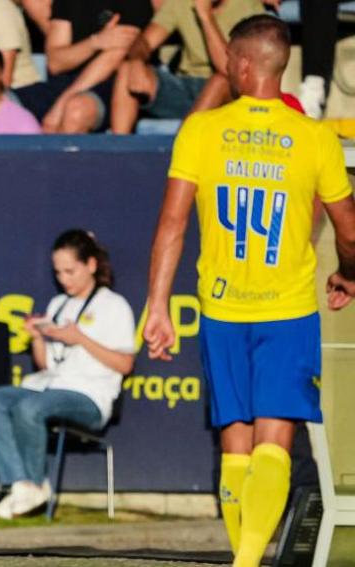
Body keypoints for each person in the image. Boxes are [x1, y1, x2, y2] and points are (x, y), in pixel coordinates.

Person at [143, 15, 355, 567]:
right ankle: (246, 562)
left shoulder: (201, 129)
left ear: (239, 64)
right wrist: (349, 272)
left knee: (234, 440)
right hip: (286, 309)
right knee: (274, 439)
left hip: (220, 306)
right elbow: (350, 228)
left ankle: (244, 556)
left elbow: (172, 223)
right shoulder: (314, 137)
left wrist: (158, 305)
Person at [0, 230, 135, 518]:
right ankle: (21, 485)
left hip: (90, 396)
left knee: (29, 408)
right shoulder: (58, 304)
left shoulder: (115, 306)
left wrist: (80, 338)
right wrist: (37, 336)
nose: (64, 279)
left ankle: (36, 484)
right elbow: (47, 365)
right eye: (58, 272)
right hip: (49, 386)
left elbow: (125, 365)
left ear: (91, 265)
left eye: (70, 271)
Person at [109, 0, 263, 134]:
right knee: (127, 68)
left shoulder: (248, 6)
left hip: (229, 93)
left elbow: (228, 69)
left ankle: (181, 150)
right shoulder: (181, 3)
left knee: (219, 81)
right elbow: (145, 42)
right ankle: (117, 152)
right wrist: (136, 61)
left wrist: (205, 16)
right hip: (185, 85)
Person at [13, 0, 151, 133]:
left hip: (108, 88)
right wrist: (96, 42)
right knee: (4, 101)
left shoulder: (134, 3)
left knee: (76, 110)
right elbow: (56, 62)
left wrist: (62, 103)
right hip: (61, 85)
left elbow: (114, 56)